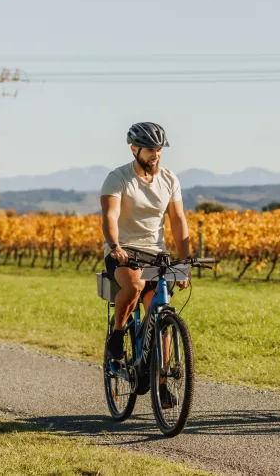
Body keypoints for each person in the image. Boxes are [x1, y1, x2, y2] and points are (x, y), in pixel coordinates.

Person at [100, 121, 191, 408]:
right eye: (151, 149)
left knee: (160, 311)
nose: (156, 154)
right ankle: (117, 334)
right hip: (124, 251)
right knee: (135, 284)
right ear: (134, 149)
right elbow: (110, 216)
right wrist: (114, 246)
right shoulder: (118, 178)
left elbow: (177, 221)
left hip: (156, 254)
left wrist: (185, 261)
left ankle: (161, 383)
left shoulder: (169, 179)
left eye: (159, 149)